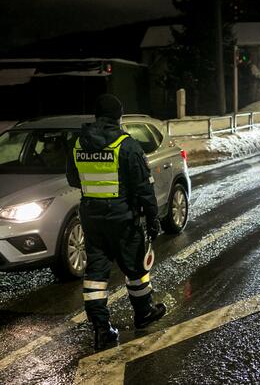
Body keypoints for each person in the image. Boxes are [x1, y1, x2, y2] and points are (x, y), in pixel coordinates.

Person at [66, 93, 165, 350]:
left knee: (96, 274)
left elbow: (73, 180)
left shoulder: (79, 143)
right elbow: (143, 188)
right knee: (135, 269)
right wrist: (152, 218)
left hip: (92, 218)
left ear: (97, 117)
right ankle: (143, 313)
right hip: (123, 218)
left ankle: (101, 329)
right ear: (118, 117)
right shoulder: (127, 145)